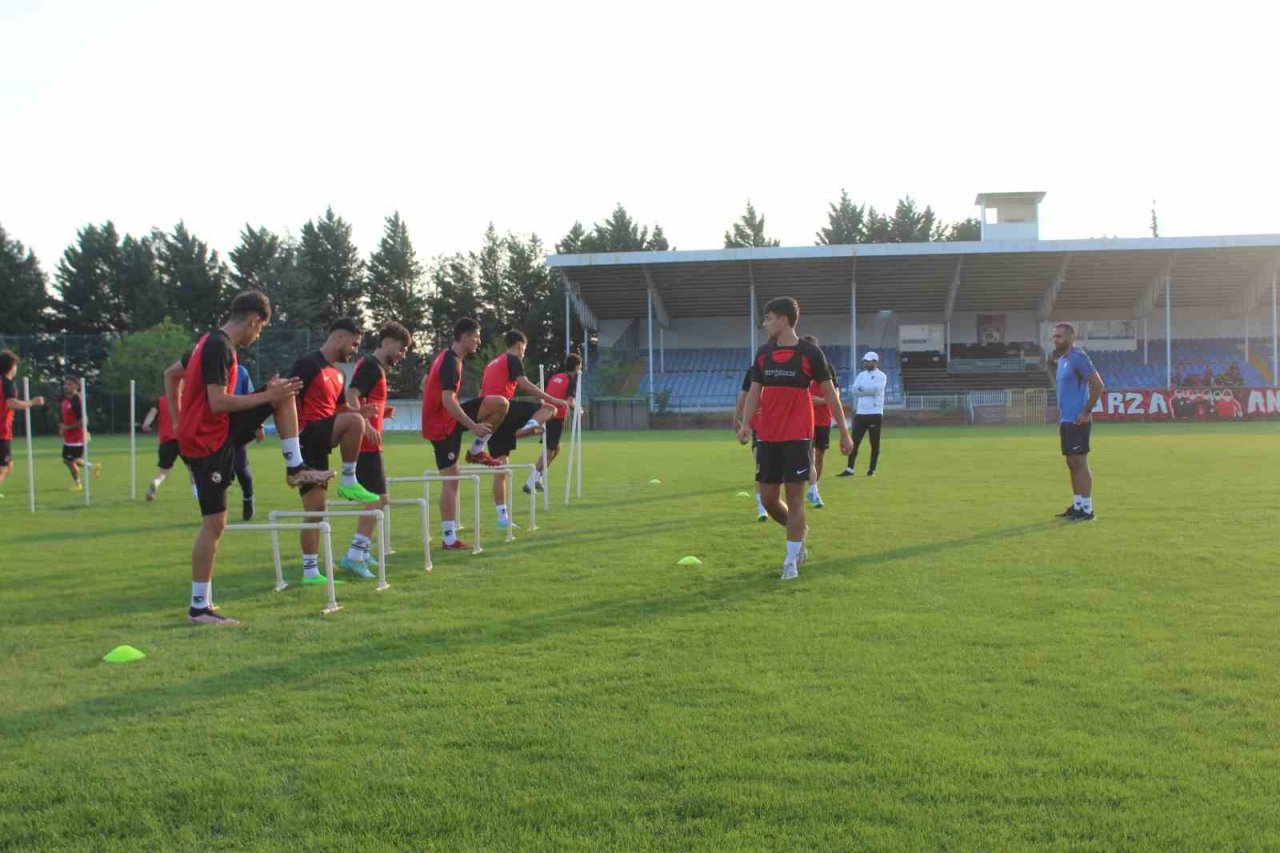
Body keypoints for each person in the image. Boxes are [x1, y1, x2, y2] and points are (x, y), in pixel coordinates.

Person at [163, 289, 333, 626]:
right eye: (260, 330)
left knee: (283, 392)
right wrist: (185, 425)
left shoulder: (205, 343)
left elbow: (171, 374)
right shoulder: (217, 347)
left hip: (214, 432)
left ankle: (296, 467)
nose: (258, 336)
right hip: (206, 442)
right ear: (254, 320)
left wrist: (179, 420)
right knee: (214, 523)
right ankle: (199, 609)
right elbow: (217, 402)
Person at [737, 297, 853, 581]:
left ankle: (791, 561)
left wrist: (845, 432)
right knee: (768, 498)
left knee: (795, 498)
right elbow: (754, 391)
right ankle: (799, 533)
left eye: (768, 318)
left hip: (798, 436)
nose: (764, 324)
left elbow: (830, 395)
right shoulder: (763, 354)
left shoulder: (809, 354)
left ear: (784, 320)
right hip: (768, 436)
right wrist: (745, 425)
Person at [288, 319, 385, 582]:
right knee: (314, 511)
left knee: (317, 513)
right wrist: (291, 451)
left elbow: (341, 411)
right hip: (307, 437)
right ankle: (349, 480)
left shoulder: (338, 373)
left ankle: (310, 573)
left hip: (324, 438)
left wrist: (359, 413)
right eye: (354, 343)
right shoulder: (308, 364)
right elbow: (288, 401)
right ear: (339, 337)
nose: (355, 349)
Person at [421, 317, 508, 551]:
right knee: (452, 482)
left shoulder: (447, 357)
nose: (479, 341)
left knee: (500, 404)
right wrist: (472, 425)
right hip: (441, 427)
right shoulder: (450, 362)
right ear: (465, 336)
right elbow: (447, 399)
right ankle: (449, 539)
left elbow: (426, 381)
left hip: (448, 418)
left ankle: (477, 450)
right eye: (477, 336)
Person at [341, 321, 412, 574]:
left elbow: (364, 398)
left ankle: (360, 551)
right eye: (402, 349)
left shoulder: (374, 367)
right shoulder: (371, 366)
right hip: (366, 445)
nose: (402, 355)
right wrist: (363, 421)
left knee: (378, 499)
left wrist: (382, 413)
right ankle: (354, 556)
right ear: (388, 342)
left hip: (370, 442)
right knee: (378, 499)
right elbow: (351, 394)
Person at [477, 330, 567, 529]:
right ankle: (528, 427)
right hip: (503, 408)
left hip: (489, 416)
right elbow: (524, 384)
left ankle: (502, 518)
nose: (523, 354)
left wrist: (480, 421)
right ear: (519, 346)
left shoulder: (490, 365)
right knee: (549, 409)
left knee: (501, 467)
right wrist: (551, 398)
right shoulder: (512, 358)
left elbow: (481, 393)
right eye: (524, 350)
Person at [1047, 323, 1106, 522]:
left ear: (1071, 338)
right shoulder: (1063, 360)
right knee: (1071, 463)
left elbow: (1097, 384)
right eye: (1054, 336)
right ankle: (1078, 505)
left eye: (1060, 336)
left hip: (1078, 420)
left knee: (1080, 462)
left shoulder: (1079, 358)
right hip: (1066, 420)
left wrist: (1086, 412)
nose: (1055, 339)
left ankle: (1088, 510)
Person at [523, 353, 582, 495]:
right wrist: (578, 410)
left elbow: (542, 389)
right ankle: (530, 481)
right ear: (577, 367)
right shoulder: (572, 380)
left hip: (545, 413)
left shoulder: (555, 376)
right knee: (549, 450)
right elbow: (570, 401)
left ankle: (538, 478)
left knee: (556, 448)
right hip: (556, 417)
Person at [0, 350, 46, 498]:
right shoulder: (7, 383)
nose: (16, 369)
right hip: (2, 431)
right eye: (15, 366)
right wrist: (32, 402)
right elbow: (12, 403)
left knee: (9, 465)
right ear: (11, 366)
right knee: (4, 467)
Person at [838, 352, 887, 477]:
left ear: (875, 362)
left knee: (874, 442)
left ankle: (872, 470)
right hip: (861, 413)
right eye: (865, 361)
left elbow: (876, 390)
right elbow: (854, 391)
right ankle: (850, 469)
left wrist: (862, 389)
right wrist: (866, 390)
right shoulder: (861, 375)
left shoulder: (881, 376)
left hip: (875, 413)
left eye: (868, 361)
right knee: (854, 441)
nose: (866, 363)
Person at [802, 335, 834, 508]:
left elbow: (835, 393)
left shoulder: (827, 368)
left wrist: (821, 401)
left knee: (820, 454)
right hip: (804, 418)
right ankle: (812, 489)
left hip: (822, 418)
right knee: (808, 455)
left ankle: (815, 486)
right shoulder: (798, 367)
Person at [734, 366, 769, 522]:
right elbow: (744, 395)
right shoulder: (755, 369)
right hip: (760, 427)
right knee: (761, 466)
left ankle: (772, 503)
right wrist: (738, 422)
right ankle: (761, 507)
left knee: (778, 472)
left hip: (781, 426)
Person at [232, 364, 264, 520]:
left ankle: (248, 498)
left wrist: (258, 425)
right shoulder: (209, 369)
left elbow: (252, 399)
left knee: (241, 469)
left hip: (237, 429)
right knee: (219, 473)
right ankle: (216, 514)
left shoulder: (241, 371)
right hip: (213, 430)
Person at [142, 388, 184, 501]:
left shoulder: (160, 401)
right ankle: (197, 494)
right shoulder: (184, 399)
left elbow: (152, 413)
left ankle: (155, 483)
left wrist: (146, 424)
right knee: (192, 470)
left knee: (163, 471)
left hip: (166, 441)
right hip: (183, 439)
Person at [58, 376, 99, 490]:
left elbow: (84, 420)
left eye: (70, 384)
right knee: (71, 460)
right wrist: (63, 428)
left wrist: (68, 427)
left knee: (69, 461)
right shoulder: (65, 400)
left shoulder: (77, 400)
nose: (66, 386)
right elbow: (68, 418)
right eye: (65, 384)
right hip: (69, 437)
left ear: (76, 386)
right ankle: (92, 467)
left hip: (76, 438)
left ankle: (78, 484)